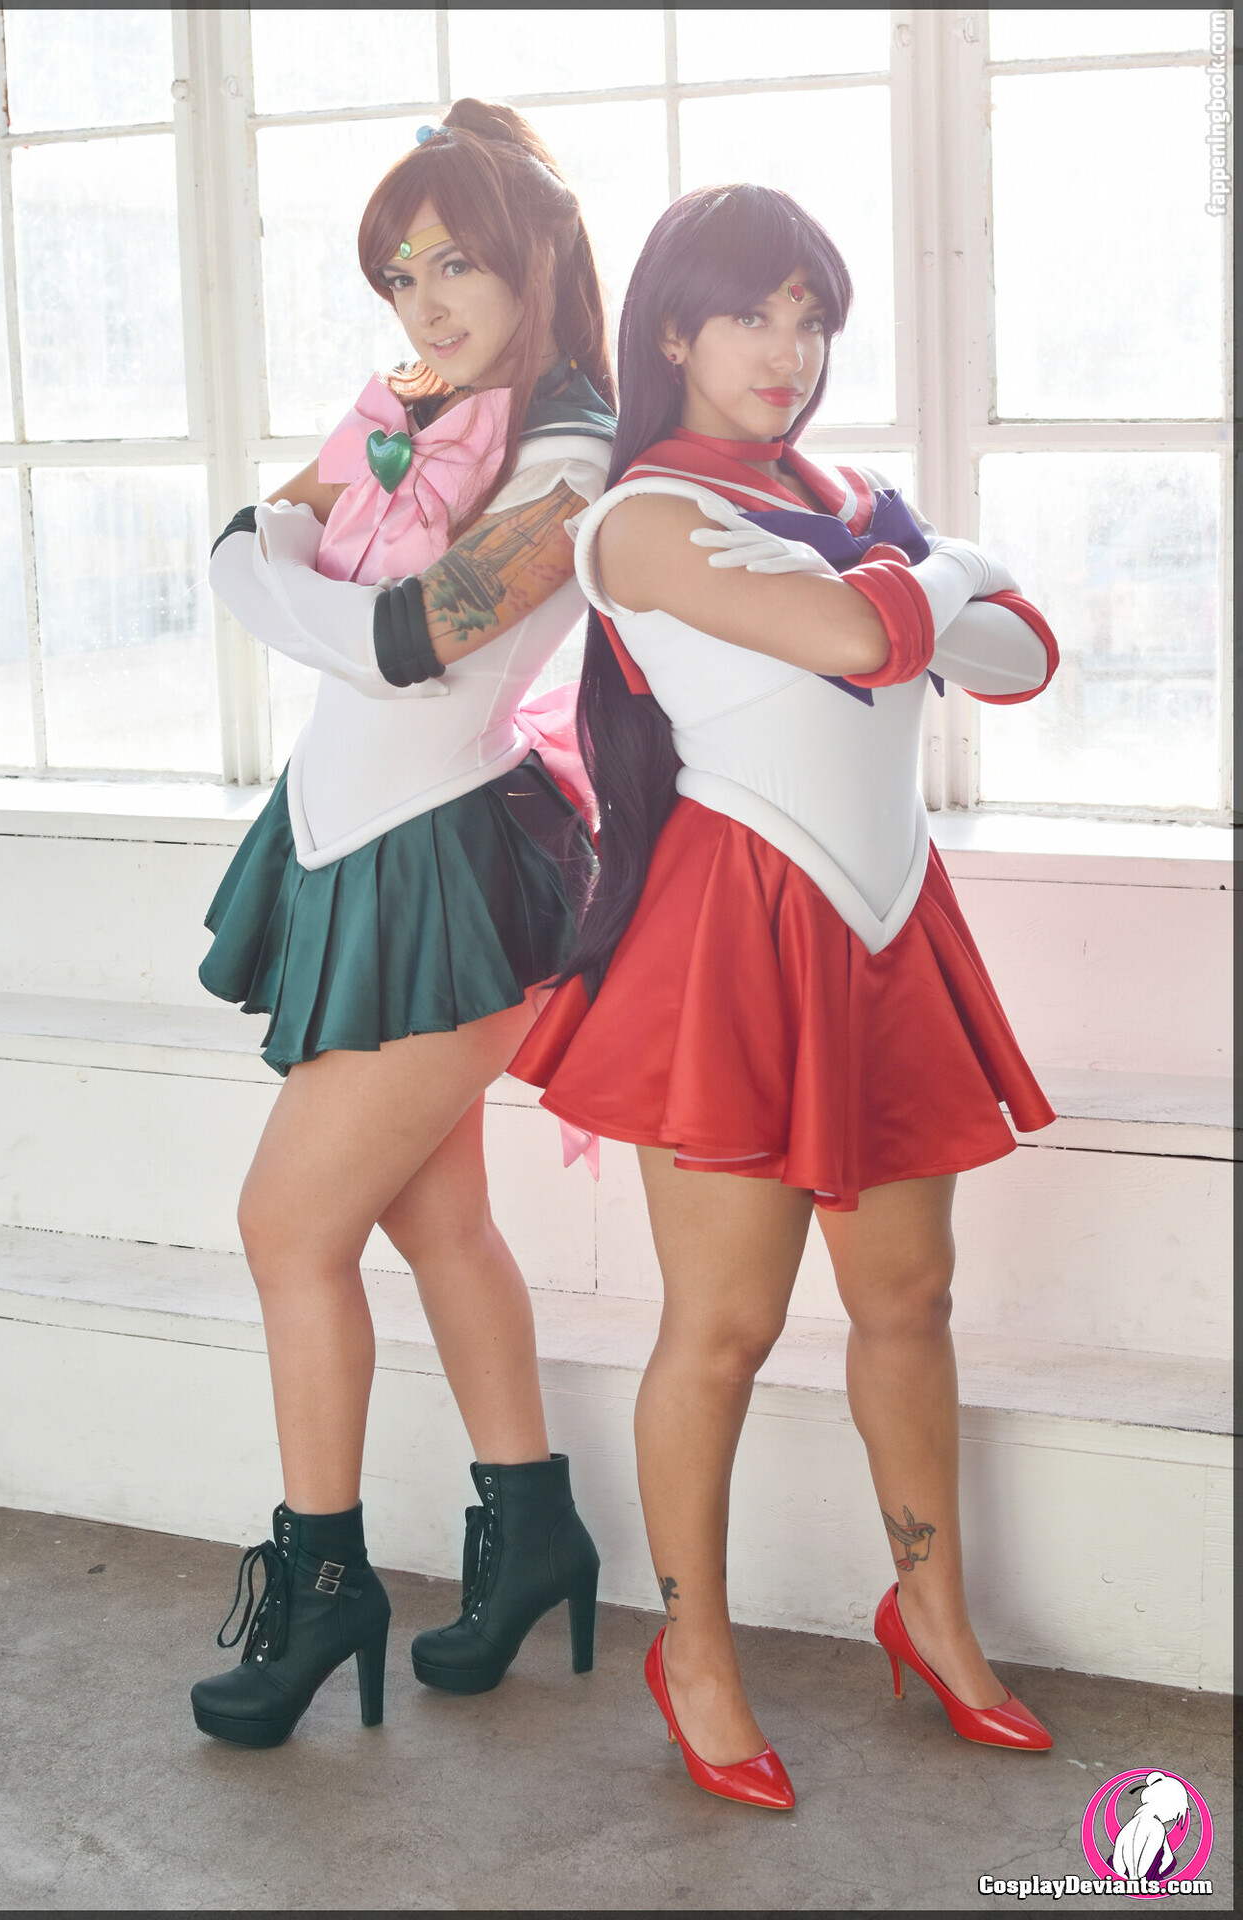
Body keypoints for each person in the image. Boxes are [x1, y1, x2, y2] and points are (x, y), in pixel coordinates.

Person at [511, 184, 1060, 1809]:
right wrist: (952, 563)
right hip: (734, 936)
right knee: (726, 1327)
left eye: (811, 319)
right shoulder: (643, 518)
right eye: (753, 315)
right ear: (676, 330)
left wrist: (918, 579)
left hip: (887, 923)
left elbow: (1023, 661)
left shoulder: (844, 497)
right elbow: (866, 640)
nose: (788, 350)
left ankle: (932, 1615)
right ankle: (695, 1655)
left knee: (912, 1301)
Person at [189, 98, 615, 1748]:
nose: (423, 304)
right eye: (400, 272)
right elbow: (255, 534)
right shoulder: (420, 405)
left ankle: (324, 1586)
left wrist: (266, 571)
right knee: (439, 1223)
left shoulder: (570, 460)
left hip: (451, 864)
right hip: (357, 851)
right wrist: (267, 559)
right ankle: (535, 1530)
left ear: (534, 264)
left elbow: (393, 639)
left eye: (456, 267)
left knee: (285, 1229)